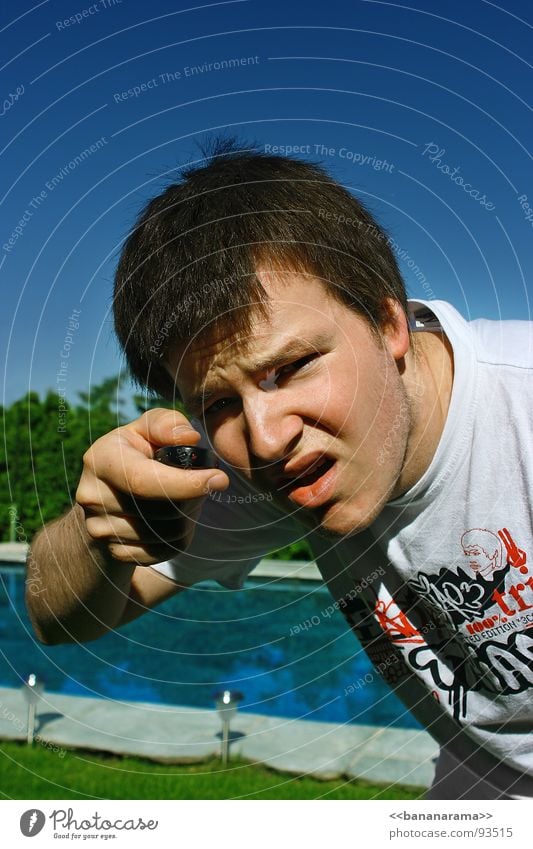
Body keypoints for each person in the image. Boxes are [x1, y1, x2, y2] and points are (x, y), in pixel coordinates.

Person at [27, 140, 533, 800]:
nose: (266, 437)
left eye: (288, 368)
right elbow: (54, 614)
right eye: (217, 403)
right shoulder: (257, 471)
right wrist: (100, 533)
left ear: (387, 323)